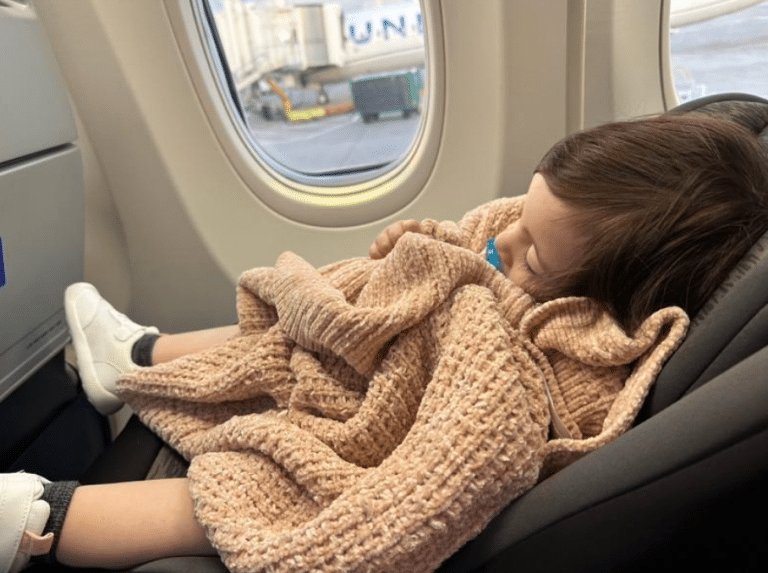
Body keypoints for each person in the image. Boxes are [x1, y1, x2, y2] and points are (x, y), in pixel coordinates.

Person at [2, 114, 768, 573]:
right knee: (316, 313)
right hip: (377, 370)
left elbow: (442, 476)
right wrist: (422, 257)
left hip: (382, 439)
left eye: (535, 254)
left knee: (257, 489)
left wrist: (442, 297)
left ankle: (44, 519)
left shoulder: (575, 362)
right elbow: (483, 242)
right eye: (522, 215)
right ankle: (138, 355)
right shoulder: (537, 236)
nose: (506, 242)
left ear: (608, 301)